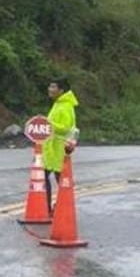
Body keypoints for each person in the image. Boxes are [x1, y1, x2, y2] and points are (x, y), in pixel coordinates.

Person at [42, 77, 79, 213]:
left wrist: (47, 123)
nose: (50, 89)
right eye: (50, 86)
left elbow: (65, 127)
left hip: (59, 148)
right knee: (46, 176)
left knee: (59, 178)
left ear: (61, 90)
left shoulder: (65, 106)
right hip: (53, 147)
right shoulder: (58, 103)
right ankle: (54, 208)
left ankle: (59, 207)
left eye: (53, 87)